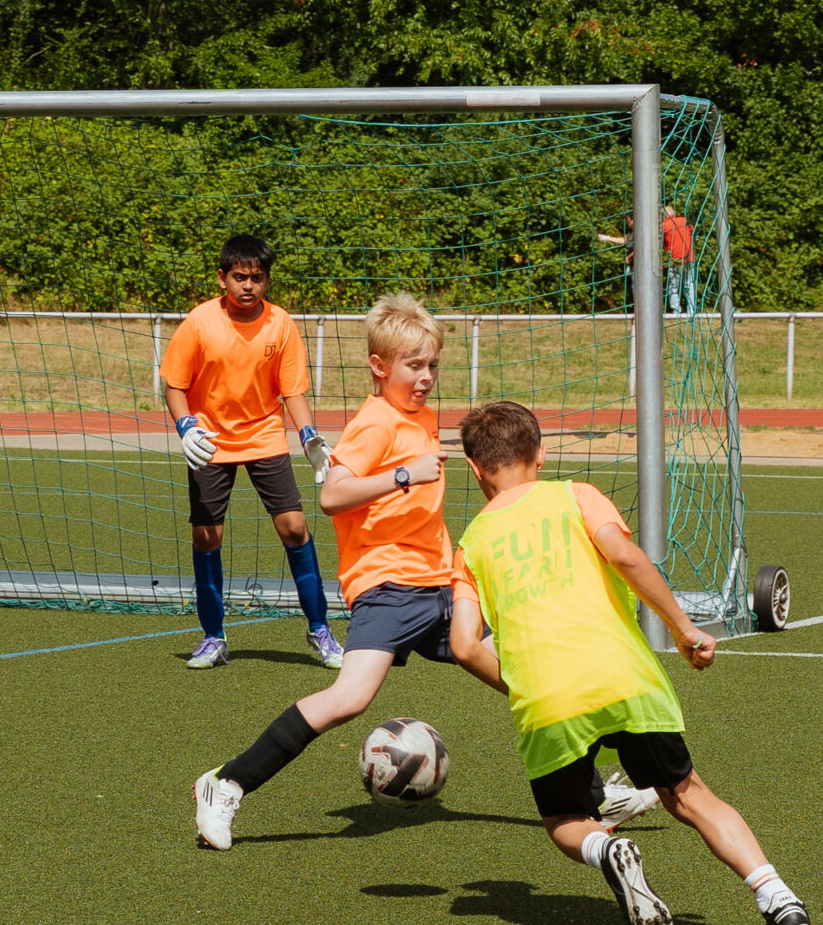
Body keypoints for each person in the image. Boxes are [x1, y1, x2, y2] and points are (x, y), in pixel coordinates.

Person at [189, 295, 659, 847]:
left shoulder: (422, 415)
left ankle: (595, 793)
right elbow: (333, 495)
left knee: (528, 678)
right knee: (349, 698)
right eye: (414, 366)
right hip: (387, 585)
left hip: (440, 585)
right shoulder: (375, 422)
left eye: (432, 365)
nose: (426, 377)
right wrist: (403, 475)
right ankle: (226, 783)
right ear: (379, 365)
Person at [447, 398, 811, 925]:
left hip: (548, 700)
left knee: (565, 819)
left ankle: (607, 847)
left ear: (474, 468)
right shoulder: (577, 495)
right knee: (688, 794)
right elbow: (627, 558)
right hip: (625, 678)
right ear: (540, 454)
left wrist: (523, 687)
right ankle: (777, 898)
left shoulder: (472, 543)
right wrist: (685, 630)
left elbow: (463, 645)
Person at [161, 235, 341, 670]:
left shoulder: (281, 324)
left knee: (294, 528)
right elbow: (174, 386)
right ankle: (213, 637)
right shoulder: (199, 322)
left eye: (256, 278)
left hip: (264, 436)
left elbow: (292, 391)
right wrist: (186, 426)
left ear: (267, 280)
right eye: (239, 277)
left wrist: (309, 437)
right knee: (207, 537)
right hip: (210, 440)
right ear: (222, 278)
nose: (248, 285)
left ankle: (320, 629)